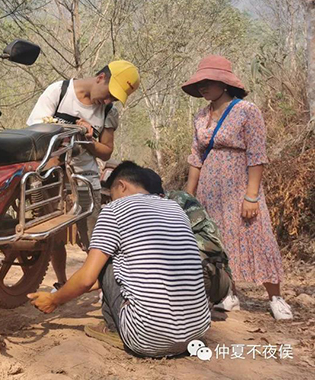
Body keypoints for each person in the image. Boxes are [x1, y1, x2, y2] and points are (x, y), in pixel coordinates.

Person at [28, 161, 211, 358]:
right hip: (196, 333)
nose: (111, 201)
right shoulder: (176, 210)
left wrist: (54, 299)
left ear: (122, 186)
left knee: (105, 259)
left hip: (148, 339)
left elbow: (88, 277)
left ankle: (115, 329)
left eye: (112, 195)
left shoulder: (115, 210)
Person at [182, 55, 292, 320]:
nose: (203, 87)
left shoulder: (247, 111)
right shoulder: (200, 116)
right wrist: (189, 196)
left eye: (208, 81)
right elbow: (196, 158)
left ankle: (275, 297)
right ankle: (229, 294)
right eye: (200, 83)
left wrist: (251, 195)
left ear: (224, 83)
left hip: (239, 185)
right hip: (210, 188)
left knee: (257, 234)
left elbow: (257, 155)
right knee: (217, 240)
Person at [26, 61, 140, 290]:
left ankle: (104, 286)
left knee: (93, 234)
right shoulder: (59, 92)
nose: (107, 101)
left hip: (84, 176)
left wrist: (88, 139)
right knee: (53, 232)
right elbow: (34, 131)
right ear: (100, 78)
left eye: (113, 99)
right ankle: (61, 282)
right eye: (108, 94)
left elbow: (106, 152)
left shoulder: (108, 112)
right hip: (51, 173)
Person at [142, 168, 232, 306]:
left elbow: (214, 243)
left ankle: (195, 309)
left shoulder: (182, 202)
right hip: (163, 281)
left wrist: (168, 244)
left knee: (186, 257)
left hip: (213, 276)